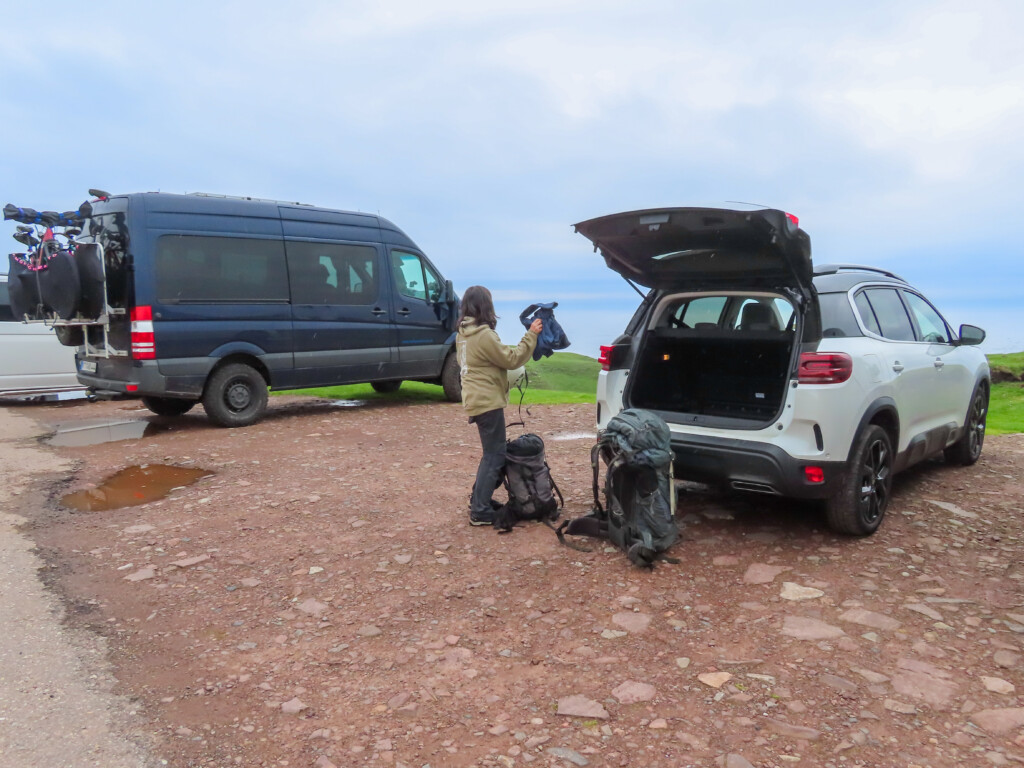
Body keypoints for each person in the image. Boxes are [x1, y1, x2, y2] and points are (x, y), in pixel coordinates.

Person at [456, 285, 542, 526]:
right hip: (487, 402)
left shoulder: (462, 333)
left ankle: (478, 501)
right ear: (486, 306)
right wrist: (532, 334)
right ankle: (480, 510)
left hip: (475, 399)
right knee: (494, 456)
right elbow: (512, 359)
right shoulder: (483, 335)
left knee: (493, 454)